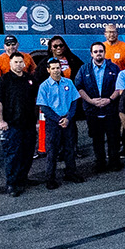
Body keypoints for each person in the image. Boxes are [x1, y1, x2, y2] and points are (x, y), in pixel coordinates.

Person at [0, 52, 38, 196]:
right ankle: (12, 183)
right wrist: (1, 121)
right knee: (13, 155)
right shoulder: (4, 81)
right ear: (10, 64)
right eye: (16, 62)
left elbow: (35, 98)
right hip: (12, 124)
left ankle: (23, 178)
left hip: (29, 123)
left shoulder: (29, 79)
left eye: (21, 62)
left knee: (28, 153)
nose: (19, 65)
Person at [76, 41, 123, 172]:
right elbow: (79, 87)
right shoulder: (84, 69)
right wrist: (91, 101)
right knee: (97, 138)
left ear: (104, 52)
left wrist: (109, 99)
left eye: (100, 51)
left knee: (113, 137)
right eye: (95, 52)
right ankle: (100, 162)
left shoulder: (113, 68)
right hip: (92, 110)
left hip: (110, 109)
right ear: (91, 54)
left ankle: (114, 162)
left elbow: (119, 87)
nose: (98, 54)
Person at [36, 59, 80, 187]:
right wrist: (58, 120)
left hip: (68, 121)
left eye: (58, 68)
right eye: (53, 68)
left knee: (69, 148)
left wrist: (68, 118)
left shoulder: (68, 83)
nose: (56, 71)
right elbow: (44, 107)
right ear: (48, 70)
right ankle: (50, 178)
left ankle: (71, 173)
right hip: (53, 123)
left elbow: (74, 102)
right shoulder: (44, 86)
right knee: (52, 151)